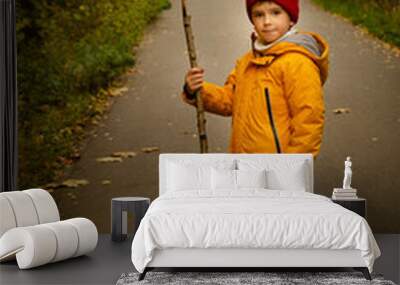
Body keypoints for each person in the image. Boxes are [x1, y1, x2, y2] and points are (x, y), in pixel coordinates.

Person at [182, 0, 329, 157]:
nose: (267, 22)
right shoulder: (247, 62)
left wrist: (291, 167)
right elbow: (230, 100)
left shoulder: (298, 63)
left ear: (291, 19)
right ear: (252, 20)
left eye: (276, 13)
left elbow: (308, 122)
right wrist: (197, 90)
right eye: (259, 15)